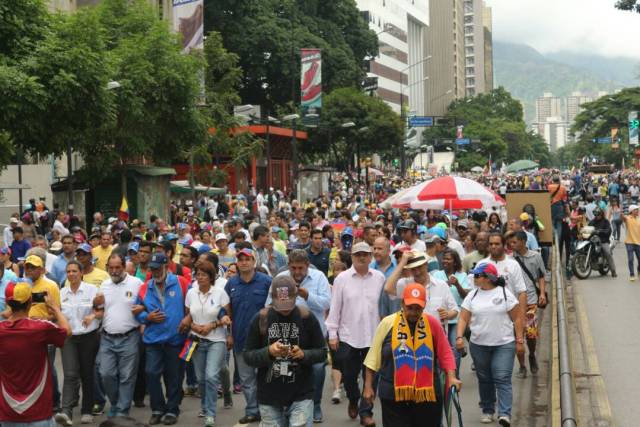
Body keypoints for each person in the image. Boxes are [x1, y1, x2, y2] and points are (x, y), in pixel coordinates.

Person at [363, 283, 461, 427]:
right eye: (410, 307)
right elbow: (372, 359)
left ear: (424, 306)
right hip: (393, 394)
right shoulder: (387, 323)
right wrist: (368, 386)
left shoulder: (432, 323)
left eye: (418, 308)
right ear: (402, 303)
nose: (414, 312)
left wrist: (451, 377)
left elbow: (446, 353)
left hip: (426, 395)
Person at [243, 275, 327, 427]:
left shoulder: (307, 317)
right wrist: (268, 352)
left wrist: (303, 354)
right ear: (272, 298)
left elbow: (322, 352)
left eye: (289, 304)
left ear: (295, 297)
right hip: (269, 395)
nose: (285, 309)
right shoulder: (261, 318)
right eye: (281, 304)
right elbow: (248, 356)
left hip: (302, 393)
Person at [456, 263, 524, 427]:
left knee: (502, 377)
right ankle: (487, 409)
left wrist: (520, 341)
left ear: (487, 278)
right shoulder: (472, 295)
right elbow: (464, 318)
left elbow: (517, 318)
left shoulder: (504, 294)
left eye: (477, 275)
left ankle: (504, 413)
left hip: (504, 344)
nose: (474, 278)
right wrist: (459, 337)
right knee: (485, 378)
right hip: (479, 345)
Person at [325, 242, 385, 427]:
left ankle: (365, 412)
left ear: (370, 257)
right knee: (349, 376)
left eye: (365, 254)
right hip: (348, 336)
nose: (361, 257)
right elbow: (335, 307)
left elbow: (383, 307)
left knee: (372, 378)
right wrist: (332, 334)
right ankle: (353, 399)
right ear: (352, 257)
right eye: (358, 254)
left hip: (374, 336)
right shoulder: (342, 279)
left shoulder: (379, 277)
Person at [271, 250, 332, 423]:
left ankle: (316, 404)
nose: (297, 272)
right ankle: (288, 405)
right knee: (286, 371)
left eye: (301, 268)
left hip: (314, 337)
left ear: (307, 266)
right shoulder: (281, 279)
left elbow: (327, 303)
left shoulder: (319, 277)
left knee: (318, 369)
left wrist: (307, 296)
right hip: (287, 336)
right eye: (293, 268)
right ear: (288, 265)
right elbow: (269, 304)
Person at [0, 282, 71, 426]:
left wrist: (9, 315)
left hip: (8, 413)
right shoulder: (40, 328)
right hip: (39, 413)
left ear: (8, 304)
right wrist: (55, 308)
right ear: (30, 302)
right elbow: (67, 331)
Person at [133, 253, 188, 425]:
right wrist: (146, 317)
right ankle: (157, 409)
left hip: (175, 339)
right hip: (153, 340)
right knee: (151, 373)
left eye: (158, 268)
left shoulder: (181, 282)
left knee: (174, 377)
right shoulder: (145, 287)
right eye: (152, 269)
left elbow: (192, 304)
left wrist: (188, 319)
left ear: (166, 267)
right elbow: (136, 311)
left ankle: (172, 410)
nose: (155, 272)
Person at [224, 248, 272, 424]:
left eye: (247, 259)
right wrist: (229, 335)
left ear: (254, 261)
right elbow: (227, 312)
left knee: (266, 376)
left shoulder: (267, 281)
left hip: (264, 340)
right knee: (246, 379)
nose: (244, 262)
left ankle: (268, 409)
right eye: (240, 259)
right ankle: (252, 410)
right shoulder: (231, 284)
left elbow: (275, 306)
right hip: (240, 339)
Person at [93, 254, 143, 418]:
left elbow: (146, 305)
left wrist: (143, 320)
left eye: (117, 267)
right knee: (106, 374)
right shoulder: (104, 285)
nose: (114, 271)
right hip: (107, 337)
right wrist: (96, 305)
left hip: (130, 336)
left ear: (124, 267)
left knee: (127, 377)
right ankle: (115, 403)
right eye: (111, 268)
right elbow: (99, 309)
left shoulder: (137, 284)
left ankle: (122, 411)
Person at [182, 260, 231, 427]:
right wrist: (195, 326)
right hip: (196, 340)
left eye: (204, 275)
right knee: (201, 378)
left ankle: (210, 413)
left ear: (211, 277)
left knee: (211, 376)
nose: (200, 278)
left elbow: (227, 317)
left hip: (216, 340)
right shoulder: (191, 293)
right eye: (198, 274)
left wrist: (213, 325)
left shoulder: (220, 293)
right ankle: (204, 405)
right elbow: (188, 316)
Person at [56, 261, 102, 426]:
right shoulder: (61, 293)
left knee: (87, 373)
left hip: (88, 337)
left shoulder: (92, 290)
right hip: (69, 338)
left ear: (81, 273)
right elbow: (57, 314)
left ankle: (87, 410)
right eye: (68, 271)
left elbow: (101, 309)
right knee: (69, 374)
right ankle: (66, 411)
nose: (71, 274)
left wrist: (93, 316)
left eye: (74, 271)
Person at [508, 231, 547, 377]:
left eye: (515, 242)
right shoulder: (510, 260)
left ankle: (531, 355)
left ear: (523, 241)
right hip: (515, 304)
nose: (512, 245)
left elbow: (541, 276)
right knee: (517, 336)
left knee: (530, 334)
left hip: (530, 302)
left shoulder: (535, 256)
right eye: (511, 243)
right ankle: (522, 366)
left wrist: (542, 293)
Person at [431, 249, 472, 374]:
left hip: (457, 317)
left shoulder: (462, 276)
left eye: (448, 259)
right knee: (440, 348)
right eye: (444, 258)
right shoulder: (436, 275)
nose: (445, 261)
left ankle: (455, 376)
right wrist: (445, 284)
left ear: (455, 261)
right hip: (440, 317)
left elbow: (466, 296)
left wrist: (457, 284)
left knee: (455, 348)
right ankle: (441, 374)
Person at [370, 237, 398, 318]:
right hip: (374, 316)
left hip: (394, 313)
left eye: (380, 249)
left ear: (389, 251)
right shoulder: (369, 269)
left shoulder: (398, 267)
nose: (376, 251)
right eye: (374, 248)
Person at [588, 208, 616, 278]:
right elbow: (587, 228)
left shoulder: (606, 221)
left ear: (601, 214)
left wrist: (599, 231)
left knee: (608, 253)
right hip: (593, 240)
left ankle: (613, 271)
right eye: (595, 215)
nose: (597, 216)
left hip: (603, 240)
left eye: (598, 214)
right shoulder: (592, 222)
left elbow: (608, 231)